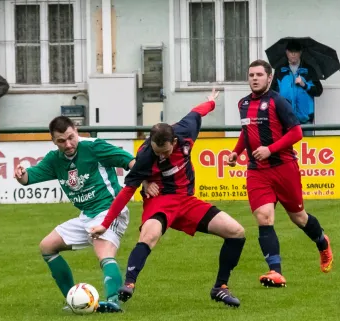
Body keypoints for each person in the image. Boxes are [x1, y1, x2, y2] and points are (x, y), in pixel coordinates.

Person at [88, 88, 246, 308]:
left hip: (186, 200)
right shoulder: (145, 155)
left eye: (164, 151)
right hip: (160, 199)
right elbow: (126, 192)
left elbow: (196, 112)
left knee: (236, 232)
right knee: (149, 233)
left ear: (174, 140)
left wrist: (210, 102)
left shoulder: (186, 130)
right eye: (156, 151)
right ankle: (129, 284)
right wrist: (105, 224)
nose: (160, 156)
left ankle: (220, 287)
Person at [14, 116, 158, 313]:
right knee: (47, 246)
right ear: (53, 140)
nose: (68, 144)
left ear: (76, 130)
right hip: (87, 216)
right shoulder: (54, 159)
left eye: (71, 137)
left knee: (102, 250)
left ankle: (114, 301)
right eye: (61, 141)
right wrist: (21, 175)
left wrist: (145, 181)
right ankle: (72, 300)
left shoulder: (94, 146)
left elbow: (130, 161)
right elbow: (29, 177)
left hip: (110, 210)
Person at [227, 59, 333, 288]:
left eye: (259, 75)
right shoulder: (243, 104)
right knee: (264, 218)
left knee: (299, 218)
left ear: (269, 77)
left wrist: (270, 149)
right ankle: (275, 271)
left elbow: (296, 133)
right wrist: (236, 153)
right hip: (257, 171)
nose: (254, 78)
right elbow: (247, 132)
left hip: (284, 168)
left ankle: (322, 241)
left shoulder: (278, 102)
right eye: (251, 75)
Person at [270, 40, 323, 136]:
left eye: (296, 51)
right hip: (285, 118)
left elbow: (318, 91)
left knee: (306, 146)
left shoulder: (309, 70)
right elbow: (272, 93)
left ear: (300, 52)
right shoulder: (280, 70)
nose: (293, 54)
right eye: (291, 51)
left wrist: (304, 84)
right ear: (287, 52)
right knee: (287, 148)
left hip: (305, 118)